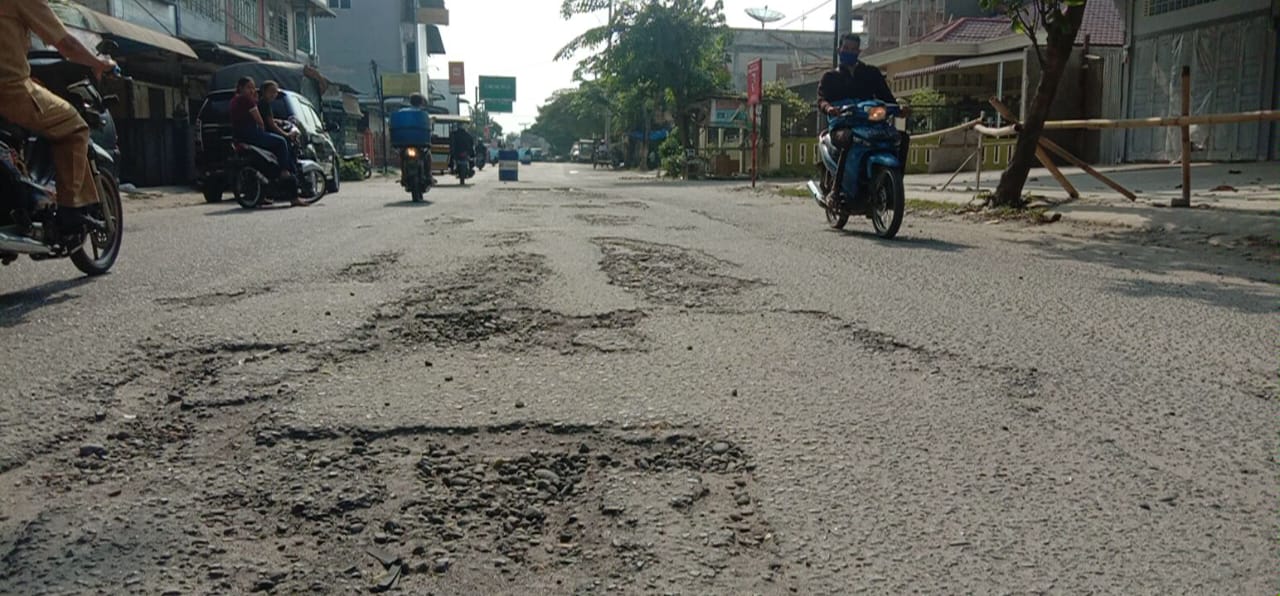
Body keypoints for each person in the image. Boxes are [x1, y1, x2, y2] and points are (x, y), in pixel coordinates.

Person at [0, 0, 116, 229]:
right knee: (75, 127)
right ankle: (70, 211)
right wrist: (98, 63)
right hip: (10, 91)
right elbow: (67, 44)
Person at [816, 34, 909, 201]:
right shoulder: (830, 77)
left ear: (859, 51)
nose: (850, 52)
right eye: (846, 49)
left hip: (870, 122)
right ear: (839, 50)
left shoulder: (871, 73)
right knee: (847, 139)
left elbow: (886, 97)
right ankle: (836, 191)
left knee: (901, 138)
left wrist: (898, 109)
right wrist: (830, 108)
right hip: (842, 123)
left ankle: (894, 188)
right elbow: (822, 99)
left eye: (853, 49)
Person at [228, 76, 310, 203]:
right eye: (248, 87)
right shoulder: (247, 101)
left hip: (239, 136)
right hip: (251, 134)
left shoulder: (234, 100)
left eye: (252, 87)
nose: (251, 90)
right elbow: (260, 120)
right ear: (240, 88)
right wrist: (262, 129)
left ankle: (261, 195)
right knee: (281, 142)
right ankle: (283, 171)